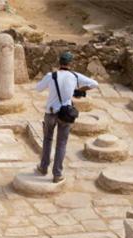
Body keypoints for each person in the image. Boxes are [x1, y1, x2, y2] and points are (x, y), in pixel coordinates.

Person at [34, 51, 99, 183]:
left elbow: (38, 88)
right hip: (66, 114)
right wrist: (79, 90)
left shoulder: (51, 76)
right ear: (70, 63)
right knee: (61, 144)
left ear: (59, 63)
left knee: (47, 140)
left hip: (51, 113)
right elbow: (94, 84)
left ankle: (43, 167)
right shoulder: (75, 76)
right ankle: (57, 174)